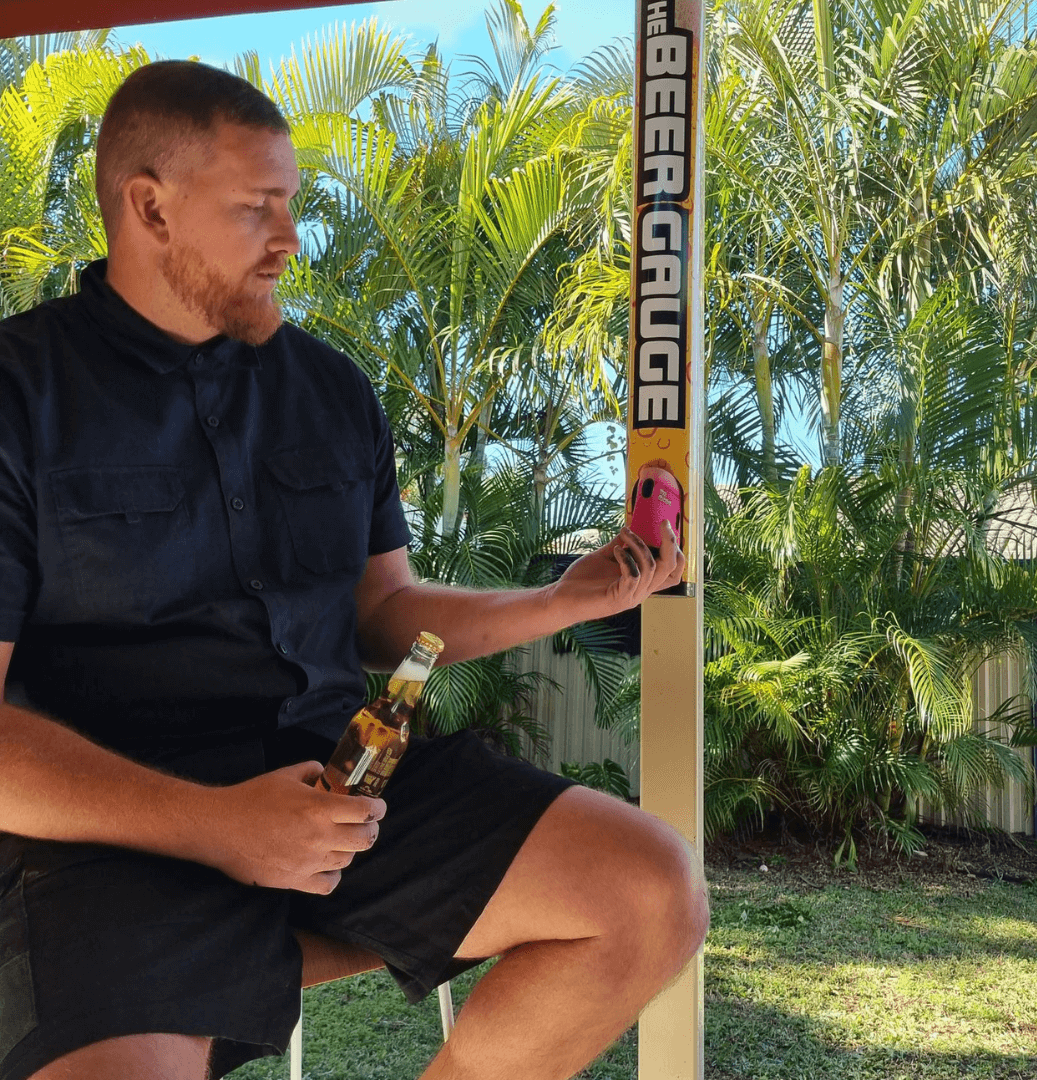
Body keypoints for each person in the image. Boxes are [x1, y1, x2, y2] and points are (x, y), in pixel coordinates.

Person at [0, 60, 709, 1080]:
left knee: (651, 891)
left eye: (291, 204)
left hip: (347, 792)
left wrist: (561, 601)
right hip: (113, 841)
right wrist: (224, 828)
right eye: (257, 208)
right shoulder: (19, 394)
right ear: (149, 208)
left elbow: (385, 611)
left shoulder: (329, 391)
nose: (290, 238)